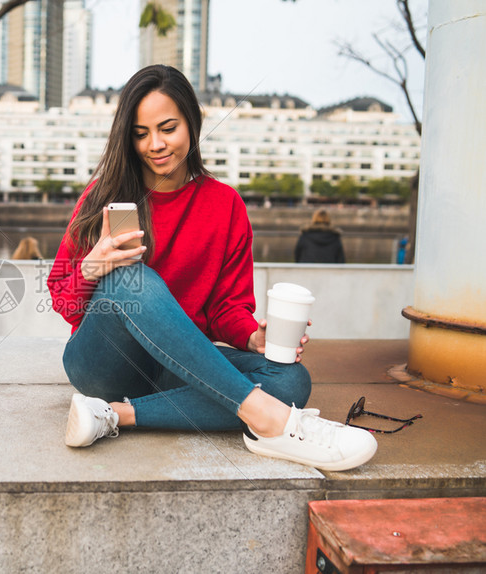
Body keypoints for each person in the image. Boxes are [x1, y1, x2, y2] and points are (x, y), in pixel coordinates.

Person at [46, 65, 376, 471]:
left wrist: (251, 336)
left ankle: (115, 415)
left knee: (292, 381)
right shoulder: (104, 197)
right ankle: (268, 422)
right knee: (134, 280)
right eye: (141, 133)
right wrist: (92, 269)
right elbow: (63, 299)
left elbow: (225, 307)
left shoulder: (225, 205)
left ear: (192, 122)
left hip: (181, 367)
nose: (155, 144)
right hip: (104, 363)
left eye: (168, 128)